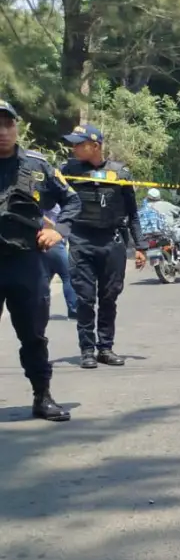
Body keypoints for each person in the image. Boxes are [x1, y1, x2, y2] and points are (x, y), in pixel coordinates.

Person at [0, 100, 82, 420]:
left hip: (27, 263)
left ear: (17, 127)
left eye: (7, 124)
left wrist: (59, 231)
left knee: (33, 335)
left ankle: (42, 396)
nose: (2, 132)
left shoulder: (37, 165)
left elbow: (71, 201)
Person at [60, 123, 147, 369]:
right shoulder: (68, 170)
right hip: (81, 241)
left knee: (109, 297)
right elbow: (49, 199)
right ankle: (87, 350)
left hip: (113, 242)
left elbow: (133, 213)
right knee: (85, 299)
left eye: (79, 143)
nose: (74, 147)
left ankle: (105, 348)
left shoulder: (121, 174)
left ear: (95, 145)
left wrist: (141, 246)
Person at [143, 188, 180, 265]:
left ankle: (154, 259)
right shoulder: (166, 204)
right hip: (167, 233)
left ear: (148, 197)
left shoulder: (144, 207)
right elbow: (179, 210)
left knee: (151, 243)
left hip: (150, 235)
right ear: (159, 196)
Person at [42, 203, 79, 319]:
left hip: (47, 243)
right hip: (55, 244)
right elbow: (39, 214)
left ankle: (40, 310)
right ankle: (74, 309)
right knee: (68, 276)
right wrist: (56, 227)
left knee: (44, 278)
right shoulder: (50, 202)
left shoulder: (58, 202)